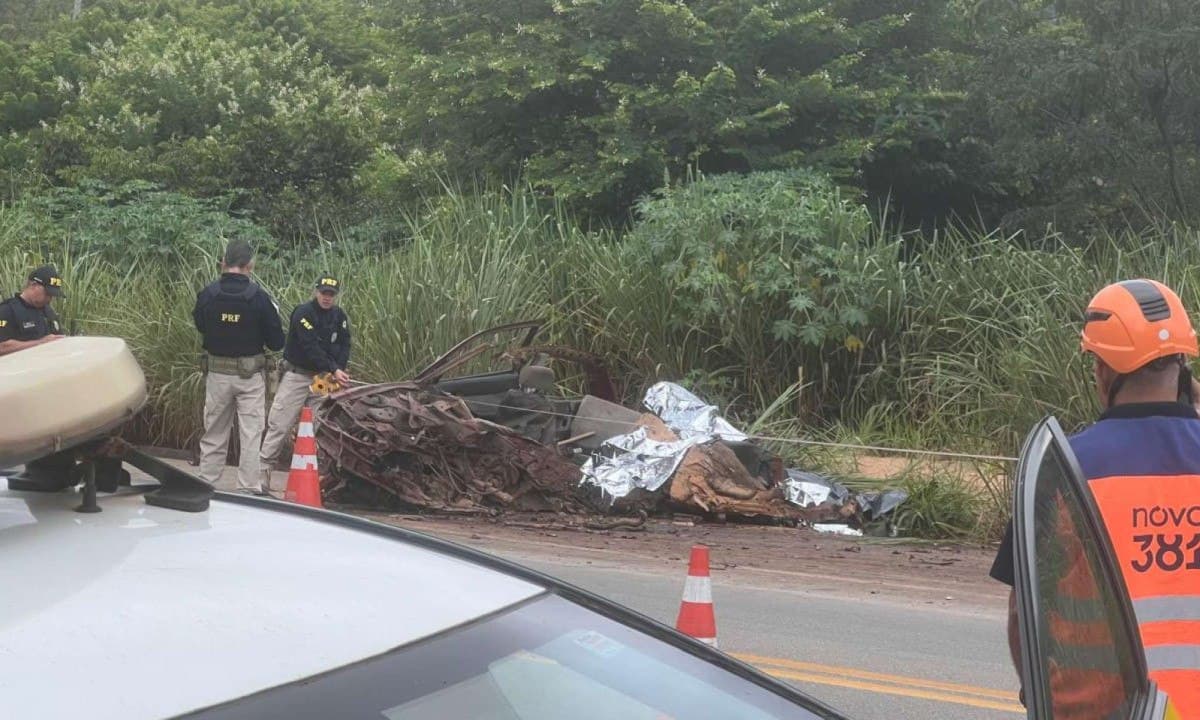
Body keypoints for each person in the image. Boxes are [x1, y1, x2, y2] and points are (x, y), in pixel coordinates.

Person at [991, 279, 1200, 716]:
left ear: (1103, 371)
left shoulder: (1065, 470)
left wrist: (1039, 697)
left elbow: (1022, 615)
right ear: (1182, 367)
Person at [193, 239, 285, 495]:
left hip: (217, 375)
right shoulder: (259, 298)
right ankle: (248, 489)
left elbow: (201, 326)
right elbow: (277, 341)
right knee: (251, 434)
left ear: (223, 263)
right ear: (250, 265)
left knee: (213, 432)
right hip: (249, 376)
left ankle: (206, 483)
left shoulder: (208, 294)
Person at [258, 274, 351, 491]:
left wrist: (338, 369)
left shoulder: (339, 316)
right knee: (279, 424)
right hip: (298, 375)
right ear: (316, 292)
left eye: (331, 294)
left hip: (324, 379)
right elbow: (311, 347)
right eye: (323, 293)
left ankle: (309, 477)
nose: (327, 298)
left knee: (317, 426)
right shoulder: (303, 313)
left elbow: (346, 343)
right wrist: (334, 368)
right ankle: (262, 475)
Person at [0, 265, 66, 356]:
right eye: (47, 293)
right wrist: (40, 343)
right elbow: (2, 346)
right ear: (33, 285)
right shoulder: (7, 311)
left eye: (52, 295)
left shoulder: (49, 312)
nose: (49, 298)